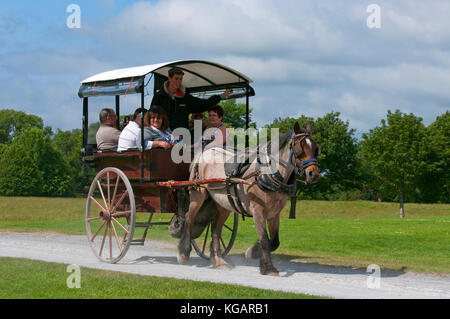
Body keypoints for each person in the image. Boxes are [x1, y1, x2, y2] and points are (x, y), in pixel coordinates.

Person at [150, 67, 232, 130]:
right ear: (169, 78)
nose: (179, 81)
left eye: (181, 79)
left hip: (181, 136)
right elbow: (152, 116)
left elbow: (203, 104)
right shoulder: (159, 97)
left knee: (185, 150)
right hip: (163, 135)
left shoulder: (186, 97)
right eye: (176, 78)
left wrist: (220, 96)